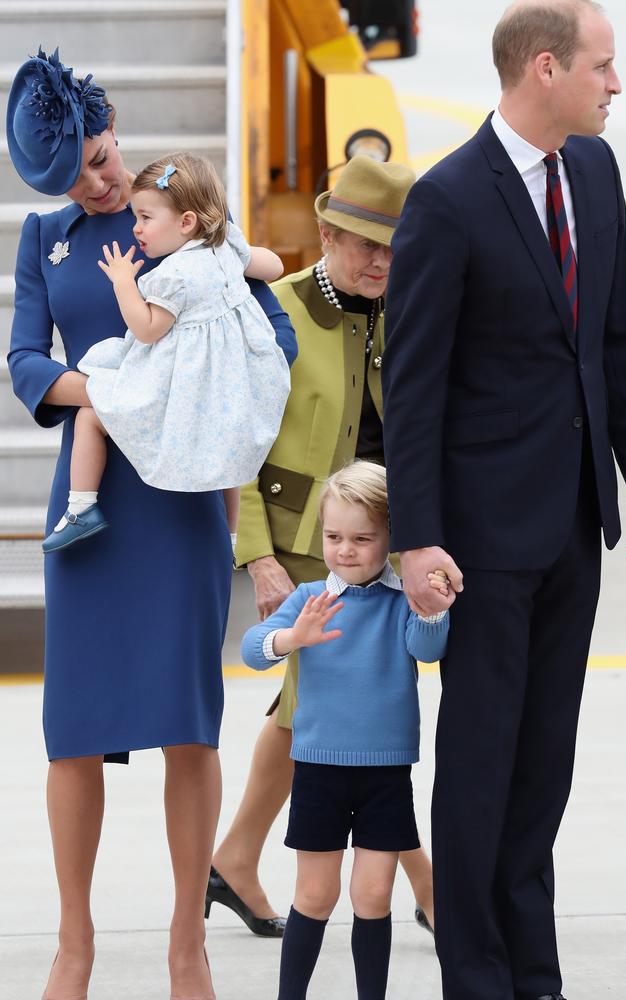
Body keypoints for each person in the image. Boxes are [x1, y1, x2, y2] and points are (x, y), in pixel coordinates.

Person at [6, 47, 295, 1000]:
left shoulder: (182, 219)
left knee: (189, 727)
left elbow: (273, 332)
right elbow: (25, 364)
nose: (105, 176)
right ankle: (75, 946)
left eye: (105, 152)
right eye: (84, 172)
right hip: (89, 511)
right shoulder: (42, 239)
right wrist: (120, 393)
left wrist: (186, 389)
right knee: (72, 731)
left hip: (181, 509)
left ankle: (186, 946)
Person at [381, 2, 626, 998]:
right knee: (480, 763)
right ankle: (477, 973)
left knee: (543, 765)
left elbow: (620, 339)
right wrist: (418, 538)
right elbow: (410, 386)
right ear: (543, 68)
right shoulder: (446, 200)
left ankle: (531, 969)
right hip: (481, 541)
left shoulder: (593, 171)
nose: (614, 84)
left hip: (571, 526)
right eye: (601, 65)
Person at [205, 156, 439, 942]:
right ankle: (432, 891)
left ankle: (235, 856)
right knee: (351, 716)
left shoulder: (407, 307)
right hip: (309, 546)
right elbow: (232, 441)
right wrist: (259, 556)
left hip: (391, 540)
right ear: (328, 233)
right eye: (365, 245)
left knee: (313, 712)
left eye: (394, 247)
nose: (381, 261)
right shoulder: (276, 309)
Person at [240, 462, 450, 999]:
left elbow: (427, 651)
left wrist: (432, 609)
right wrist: (293, 636)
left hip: (385, 772)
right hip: (317, 771)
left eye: (363, 538)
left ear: (390, 539)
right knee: (314, 895)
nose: (346, 550)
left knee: (373, 896)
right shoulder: (309, 598)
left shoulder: (403, 598)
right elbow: (252, 649)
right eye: (334, 537)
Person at [41, 151, 290, 553]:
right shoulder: (226, 246)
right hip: (235, 379)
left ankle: (81, 507)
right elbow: (274, 267)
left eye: (145, 218)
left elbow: (148, 328)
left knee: (91, 413)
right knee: (228, 459)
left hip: (185, 383)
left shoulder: (173, 275)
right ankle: (228, 535)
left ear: (186, 222)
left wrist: (123, 281)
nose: (136, 228)